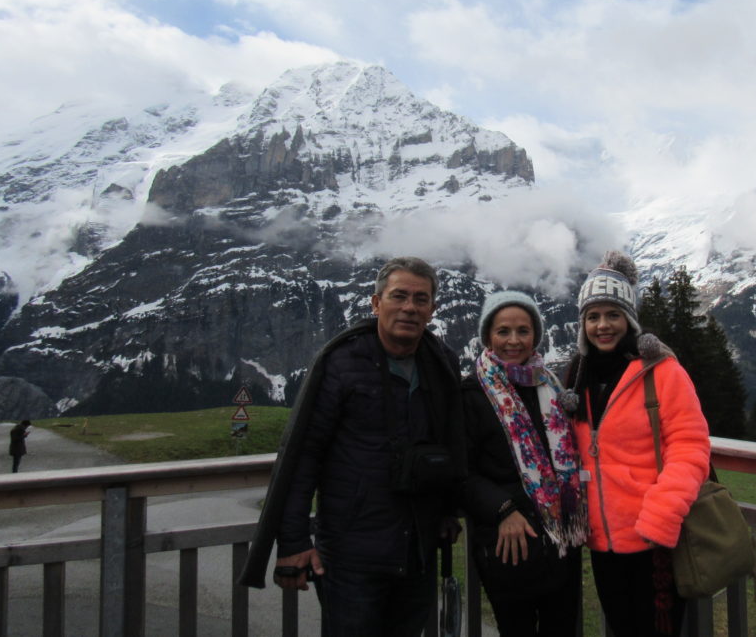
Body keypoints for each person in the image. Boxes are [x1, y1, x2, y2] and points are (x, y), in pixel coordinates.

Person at [238, 256, 466, 637]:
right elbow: (304, 453)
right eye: (399, 296)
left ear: (432, 309)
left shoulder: (441, 362)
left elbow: (451, 441)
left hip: (418, 551)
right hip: (351, 555)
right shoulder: (342, 362)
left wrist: (448, 509)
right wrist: (294, 541)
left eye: (421, 299)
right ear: (376, 303)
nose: (410, 307)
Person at [562, 252, 711, 637]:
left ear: (628, 318)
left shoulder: (661, 371)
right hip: (601, 542)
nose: (602, 326)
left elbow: (690, 447)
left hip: (654, 540)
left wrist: (662, 516)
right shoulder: (577, 378)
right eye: (592, 317)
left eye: (612, 314)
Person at [462, 291, 587, 637]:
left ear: (536, 335)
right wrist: (502, 509)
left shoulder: (549, 385)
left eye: (523, 331)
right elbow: (461, 472)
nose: (513, 341)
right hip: (510, 545)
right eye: (503, 331)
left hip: (562, 544)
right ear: (488, 336)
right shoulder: (472, 394)